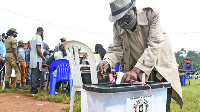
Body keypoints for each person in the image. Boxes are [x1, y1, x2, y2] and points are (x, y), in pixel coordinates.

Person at [97, 0, 182, 111]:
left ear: (133, 9)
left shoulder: (151, 14)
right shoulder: (117, 26)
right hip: (140, 72)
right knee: (140, 105)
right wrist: (107, 61)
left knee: (160, 105)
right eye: (119, 20)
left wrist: (135, 70)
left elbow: (155, 44)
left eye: (126, 17)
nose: (123, 23)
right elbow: (116, 49)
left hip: (160, 65)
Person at [30, 27, 46, 95]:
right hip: (37, 59)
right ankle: (34, 90)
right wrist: (44, 58)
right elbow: (38, 49)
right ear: (41, 32)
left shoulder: (33, 37)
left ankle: (32, 89)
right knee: (36, 74)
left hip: (33, 58)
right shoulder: (38, 37)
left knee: (33, 74)